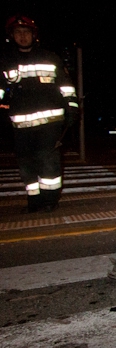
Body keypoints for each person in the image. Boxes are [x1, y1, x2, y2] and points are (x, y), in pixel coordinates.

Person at [0, 15, 78, 213]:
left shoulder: (50, 58)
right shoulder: (6, 62)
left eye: (26, 32)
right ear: (11, 36)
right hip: (21, 126)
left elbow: (66, 87)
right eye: (18, 32)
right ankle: (34, 199)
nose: (23, 36)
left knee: (47, 161)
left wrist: (72, 109)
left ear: (34, 35)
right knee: (26, 163)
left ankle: (50, 200)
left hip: (49, 123)